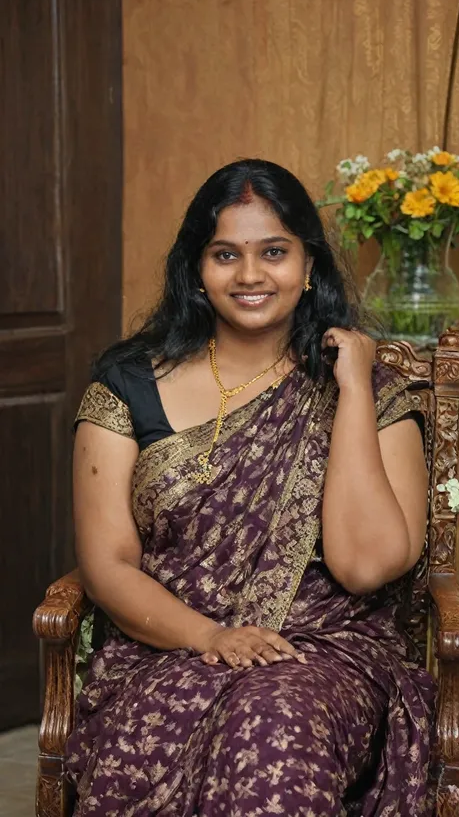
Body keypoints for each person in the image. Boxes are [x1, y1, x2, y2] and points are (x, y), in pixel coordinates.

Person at [66, 159, 435, 816]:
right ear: (197, 270)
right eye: (225, 254)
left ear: (309, 265)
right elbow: (107, 564)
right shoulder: (126, 385)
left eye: (274, 252)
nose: (250, 275)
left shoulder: (371, 394)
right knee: (169, 730)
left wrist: (350, 388)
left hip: (322, 655)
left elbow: (366, 565)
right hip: (168, 649)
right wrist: (210, 637)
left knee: (275, 720)